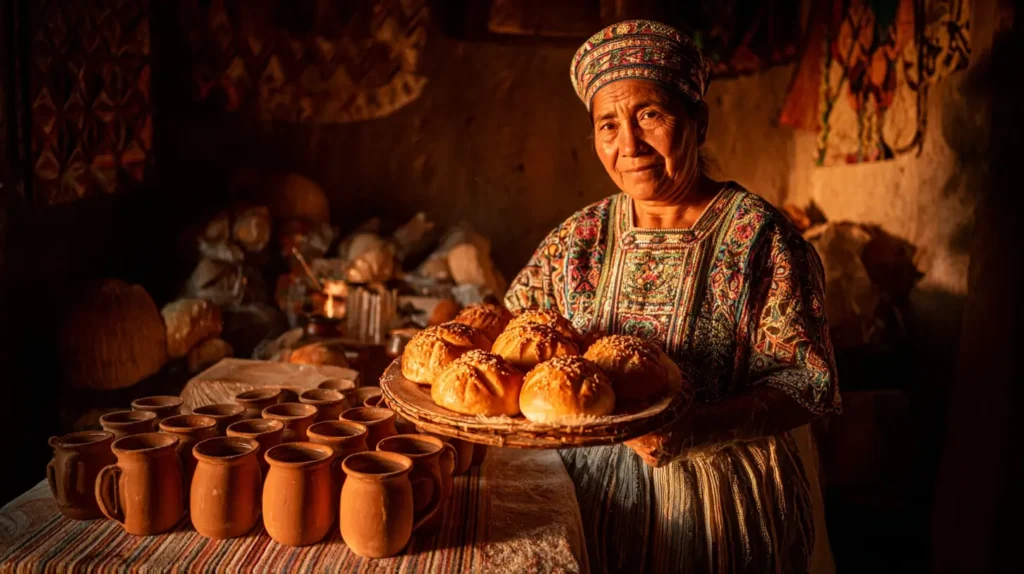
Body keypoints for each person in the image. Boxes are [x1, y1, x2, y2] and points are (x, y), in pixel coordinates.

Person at [504, 20, 840, 573]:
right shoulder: (578, 237)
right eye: (607, 124)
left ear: (697, 122)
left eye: (650, 116)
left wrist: (697, 428)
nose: (628, 145)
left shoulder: (759, 237)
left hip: (721, 512)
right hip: (588, 498)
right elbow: (514, 338)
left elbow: (810, 383)